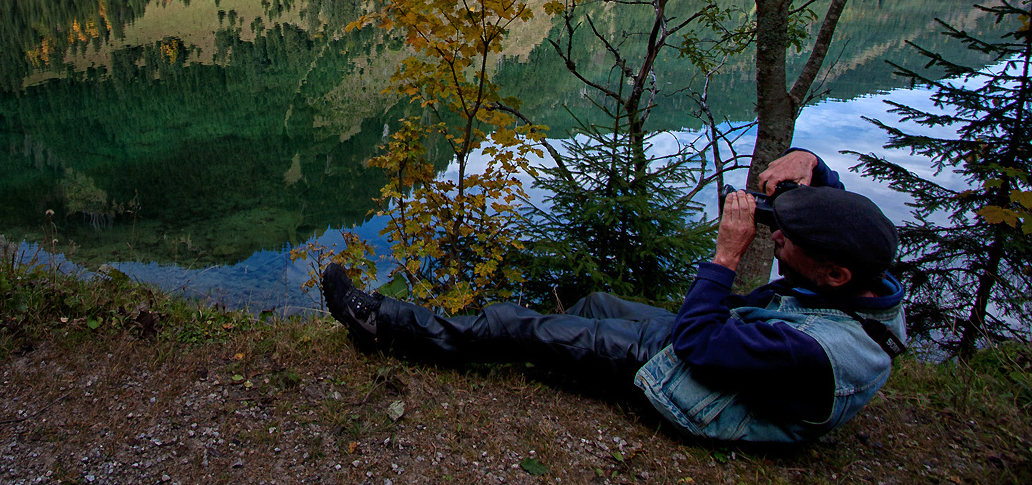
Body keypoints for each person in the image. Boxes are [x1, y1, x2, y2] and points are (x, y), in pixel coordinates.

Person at [322, 148, 907, 444]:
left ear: (833, 274)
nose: (778, 235)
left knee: (525, 327)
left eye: (791, 236)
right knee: (598, 303)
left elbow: (697, 343)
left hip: (694, 383)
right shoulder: (867, 277)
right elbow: (844, 221)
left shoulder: (817, 354)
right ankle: (563, 358)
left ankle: (382, 324)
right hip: (722, 352)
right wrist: (814, 168)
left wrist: (726, 256)